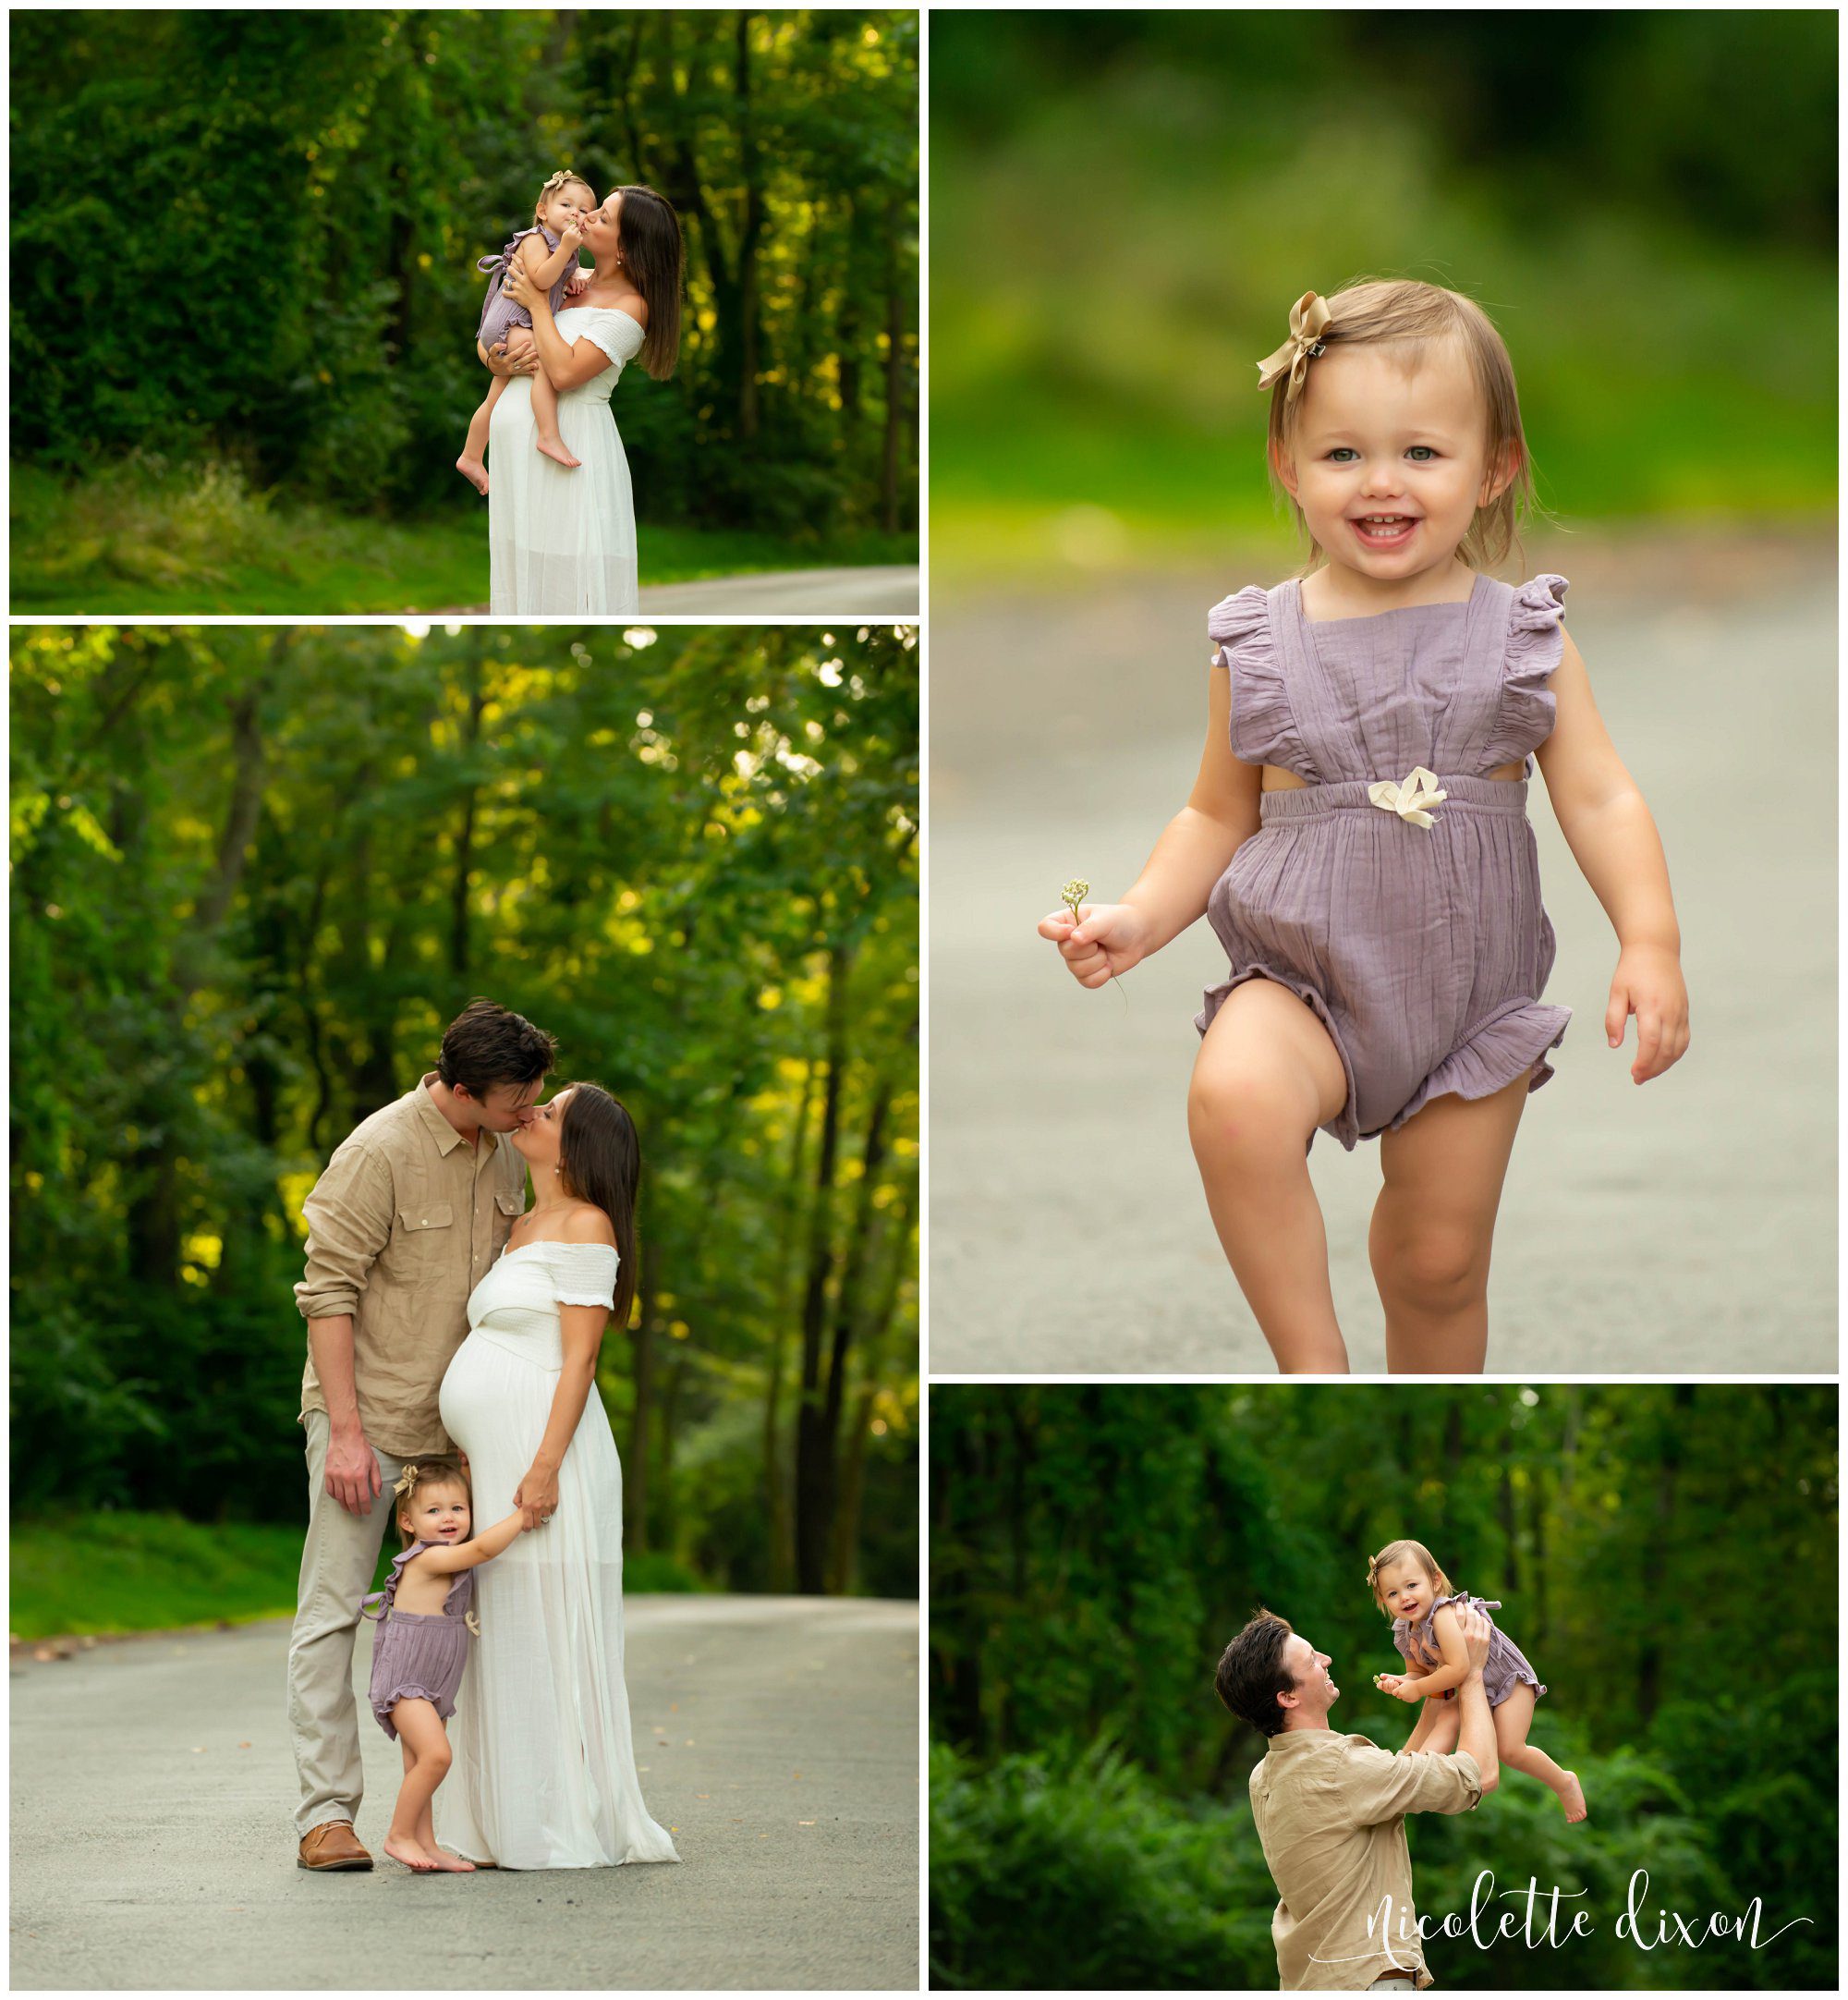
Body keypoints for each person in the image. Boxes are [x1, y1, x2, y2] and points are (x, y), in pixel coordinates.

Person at [1040, 278, 1690, 1372]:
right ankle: (1313, 1366)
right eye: (1341, 453)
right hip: (1299, 981)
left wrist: (1649, 939)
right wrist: (1140, 917)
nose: (1380, 481)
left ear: (1493, 467)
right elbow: (1213, 811)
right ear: (1286, 466)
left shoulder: (1522, 637)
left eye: (1421, 453)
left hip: (1468, 1005)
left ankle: (1419, 1377)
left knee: (1437, 1262)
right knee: (1232, 1096)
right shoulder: (1257, 642)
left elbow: (1598, 795)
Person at [287, 998, 557, 1872]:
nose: (532, 1108)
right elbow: (327, 1294)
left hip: (461, 1434)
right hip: (367, 1419)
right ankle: (327, 1816)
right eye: (520, 1095)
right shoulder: (378, 1151)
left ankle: (458, 1814)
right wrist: (345, 1433)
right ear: (465, 1089)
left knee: (460, 1617)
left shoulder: (504, 1151)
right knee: (333, 1611)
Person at [434, 1080, 680, 1871]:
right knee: (499, 1627)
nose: (533, 1114)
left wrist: (543, 1469)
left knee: (541, 1627)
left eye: (553, 1111)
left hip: (546, 1457)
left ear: (579, 1147)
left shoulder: (586, 1225)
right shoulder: (522, 1224)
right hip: (498, 1456)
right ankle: (498, 1817)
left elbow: (580, 1359)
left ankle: (550, 1819)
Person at [1215, 1604, 1501, 1991]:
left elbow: (1399, 1778)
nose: (1326, 1659)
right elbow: (1479, 1775)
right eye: (1311, 1660)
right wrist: (1473, 1674)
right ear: (1288, 1697)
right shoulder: (1340, 1768)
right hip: (1368, 1981)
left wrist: (1439, 1693)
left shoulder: (1265, 1776)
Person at [478, 183, 685, 614]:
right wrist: (497, 362)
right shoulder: (564, 277)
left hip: (571, 451)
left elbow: (565, 373)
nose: (586, 217)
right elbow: (495, 328)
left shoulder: (631, 308)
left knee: (567, 582)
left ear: (624, 248)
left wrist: (538, 306)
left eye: (602, 217)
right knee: (523, 579)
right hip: (516, 459)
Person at [359, 1458, 530, 1872]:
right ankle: (398, 1834)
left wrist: (468, 1473)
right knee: (437, 1757)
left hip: (435, 1682)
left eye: (458, 1508)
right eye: (433, 1511)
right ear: (409, 1522)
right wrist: (523, 1516)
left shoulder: (445, 1555)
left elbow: (466, 1524)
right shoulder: (428, 1559)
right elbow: (483, 1549)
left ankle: (426, 1843)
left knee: (418, 1765)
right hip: (407, 1682)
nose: (448, 1518)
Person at [1367, 1537, 1585, 1823]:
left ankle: (1564, 1781)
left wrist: (1417, 1689)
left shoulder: (1442, 1614)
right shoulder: (1404, 1630)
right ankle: (1414, 1775)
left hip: (1508, 1680)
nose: (1404, 1597)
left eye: (1412, 1585)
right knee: (1446, 1716)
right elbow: (1420, 1673)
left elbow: (1459, 1669)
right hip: (1473, 1686)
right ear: (1383, 1600)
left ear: (1435, 1581)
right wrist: (1402, 1681)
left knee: (1510, 1750)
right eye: (1393, 1593)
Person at [456, 171, 597, 494]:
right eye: (566, 205)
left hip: (521, 323)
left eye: (584, 210)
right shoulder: (536, 240)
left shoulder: (567, 249)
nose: (575, 213)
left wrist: (572, 277)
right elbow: (542, 279)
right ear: (543, 211)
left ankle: (471, 455)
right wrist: (566, 252)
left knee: (494, 397)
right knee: (544, 361)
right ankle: (549, 436)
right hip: (510, 322)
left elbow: (557, 279)